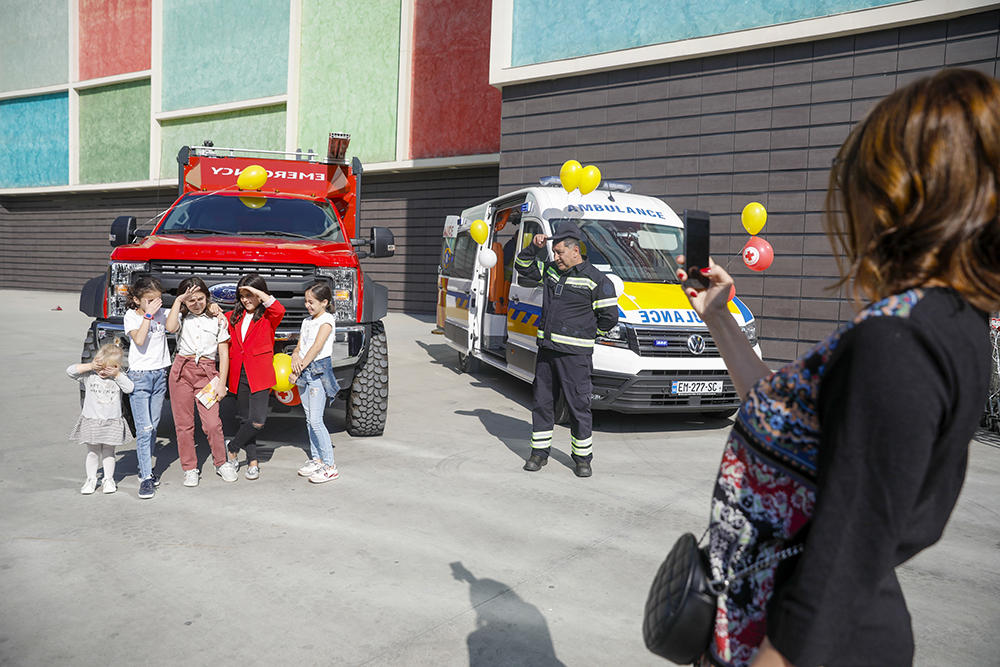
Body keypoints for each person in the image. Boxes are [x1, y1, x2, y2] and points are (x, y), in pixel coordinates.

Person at [675, 68, 1000, 667]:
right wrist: (719, 317)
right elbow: (784, 417)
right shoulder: (948, 318)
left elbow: (840, 568)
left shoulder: (900, 341)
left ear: (903, 191)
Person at [513, 221, 618, 477]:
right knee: (542, 403)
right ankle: (539, 454)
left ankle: (582, 459)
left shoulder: (597, 280)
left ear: (575, 250)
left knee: (578, 406)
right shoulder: (551, 271)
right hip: (547, 352)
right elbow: (522, 266)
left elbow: (609, 318)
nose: (556, 257)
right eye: (554, 252)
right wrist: (533, 247)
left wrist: (588, 336)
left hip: (575, 356)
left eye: (560, 252)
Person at [165, 277, 234, 486]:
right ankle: (190, 468)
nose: (196, 304)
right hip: (181, 371)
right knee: (184, 425)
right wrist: (179, 301)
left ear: (207, 297)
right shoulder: (180, 317)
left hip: (207, 372)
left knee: (212, 423)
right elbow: (170, 327)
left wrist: (221, 383)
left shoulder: (217, 320)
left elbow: (224, 354)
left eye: (200, 299)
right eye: (191, 300)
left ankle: (221, 462)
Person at [224, 273, 285, 480]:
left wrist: (256, 291)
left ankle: (232, 448)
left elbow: (279, 309)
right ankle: (253, 462)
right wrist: (213, 308)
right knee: (245, 420)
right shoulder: (232, 316)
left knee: (257, 421)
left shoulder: (269, 317)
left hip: (259, 373)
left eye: (249, 295)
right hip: (238, 372)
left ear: (260, 294)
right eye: (242, 296)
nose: (245, 300)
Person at [124, 275, 171, 499]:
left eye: (158, 299)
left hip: (160, 374)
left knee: (153, 427)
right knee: (144, 429)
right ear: (137, 299)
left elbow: (175, 324)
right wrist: (149, 315)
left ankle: (145, 467)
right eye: (150, 300)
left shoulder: (163, 313)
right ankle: (145, 477)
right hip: (140, 377)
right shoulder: (131, 316)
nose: (155, 304)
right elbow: (140, 340)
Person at [290, 281, 341, 484]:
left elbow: (316, 347)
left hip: (317, 371)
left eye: (311, 302)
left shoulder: (327, 320)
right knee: (309, 418)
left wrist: (298, 369)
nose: (307, 305)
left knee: (316, 420)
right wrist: (295, 355)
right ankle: (317, 459)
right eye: (306, 301)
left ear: (324, 302)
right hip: (303, 371)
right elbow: (301, 345)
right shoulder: (306, 321)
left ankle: (330, 466)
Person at [68, 342, 134, 495]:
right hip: (92, 420)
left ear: (116, 367)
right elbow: (70, 371)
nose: (103, 371)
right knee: (92, 452)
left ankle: (108, 479)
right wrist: (90, 366)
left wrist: (117, 375)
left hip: (112, 421)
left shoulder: (118, 378)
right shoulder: (90, 376)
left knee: (109, 452)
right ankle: (91, 479)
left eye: (108, 368)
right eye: (100, 367)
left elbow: (129, 388)